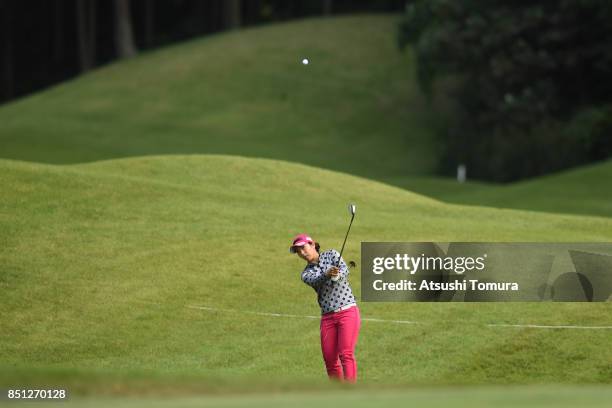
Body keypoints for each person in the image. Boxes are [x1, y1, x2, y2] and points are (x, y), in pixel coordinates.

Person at [290, 233, 361, 383]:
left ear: (313, 244)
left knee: (345, 354)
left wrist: (337, 275)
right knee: (329, 359)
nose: (302, 253)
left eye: (303, 248)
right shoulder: (306, 273)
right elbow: (317, 280)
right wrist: (328, 274)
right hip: (327, 317)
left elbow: (344, 270)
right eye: (298, 251)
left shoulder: (332, 254)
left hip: (347, 311)